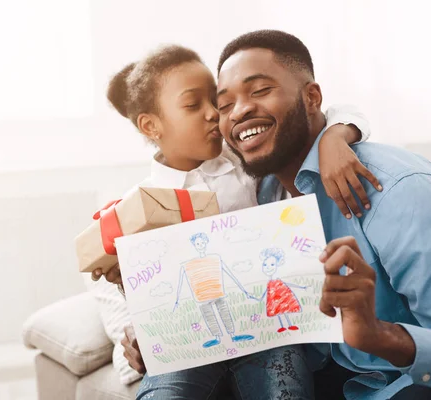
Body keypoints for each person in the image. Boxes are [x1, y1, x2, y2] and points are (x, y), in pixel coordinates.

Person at [96, 44, 381, 399]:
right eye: (192, 105)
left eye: (215, 101)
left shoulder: (247, 158)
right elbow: (135, 296)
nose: (214, 114)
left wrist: (336, 136)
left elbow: (337, 110)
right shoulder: (137, 205)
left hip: (268, 335)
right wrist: (134, 320)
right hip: (191, 347)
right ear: (151, 125)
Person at [212, 29, 431, 399]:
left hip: (405, 385)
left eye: (259, 91)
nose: (239, 111)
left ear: (311, 98)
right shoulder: (259, 198)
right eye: (224, 106)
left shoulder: (400, 190)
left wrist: (378, 335)